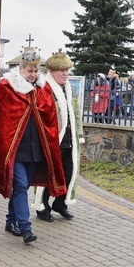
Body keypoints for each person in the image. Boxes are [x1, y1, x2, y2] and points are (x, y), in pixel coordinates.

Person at [0, 47, 67, 244]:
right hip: (15, 148)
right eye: (30, 71)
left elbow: (50, 118)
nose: (34, 75)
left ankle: (10, 220)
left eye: (36, 71)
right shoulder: (7, 87)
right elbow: (2, 121)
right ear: (21, 69)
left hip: (35, 148)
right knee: (20, 185)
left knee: (23, 186)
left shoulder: (43, 88)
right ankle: (25, 227)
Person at [33, 49, 82, 222]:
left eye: (67, 70)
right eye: (62, 70)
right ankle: (42, 206)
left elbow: (75, 114)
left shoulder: (69, 89)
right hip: (51, 140)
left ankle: (60, 204)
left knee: (69, 173)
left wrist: (80, 135)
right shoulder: (43, 88)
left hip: (69, 141)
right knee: (48, 175)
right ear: (51, 72)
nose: (65, 74)